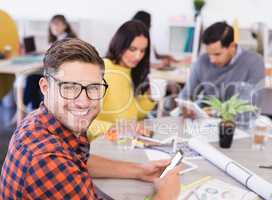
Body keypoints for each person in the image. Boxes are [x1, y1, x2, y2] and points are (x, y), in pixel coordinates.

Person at [0, 38, 180, 199]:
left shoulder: (42, 121)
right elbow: (60, 163)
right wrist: (167, 194)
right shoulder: (46, 160)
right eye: (69, 87)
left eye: (94, 88)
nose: (83, 102)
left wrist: (139, 170)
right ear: (45, 87)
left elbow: (76, 160)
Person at [179, 21, 265, 118]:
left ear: (232, 46)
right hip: (207, 122)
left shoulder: (254, 62)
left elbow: (249, 105)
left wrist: (215, 113)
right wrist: (185, 107)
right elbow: (186, 94)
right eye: (209, 54)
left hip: (238, 123)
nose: (212, 60)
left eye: (217, 54)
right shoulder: (202, 61)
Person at [88, 20, 157, 140]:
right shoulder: (104, 71)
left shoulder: (128, 70)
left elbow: (130, 114)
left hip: (123, 143)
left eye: (142, 51)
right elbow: (84, 122)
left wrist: (150, 98)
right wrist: (117, 128)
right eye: (132, 49)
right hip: (100, 147)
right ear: (120, 44)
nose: (138, 56)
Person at [23, 14, 77, 112]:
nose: (54, 27)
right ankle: (34, 108)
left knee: (31, 78)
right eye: (52, 25)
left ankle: (29, 107)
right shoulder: (60, 38)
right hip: (57, 70)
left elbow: (61, 56)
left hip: (61, 72)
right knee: (33, 77)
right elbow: (52, 51)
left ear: (65, 25)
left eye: (57, 24)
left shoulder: (67, 40)